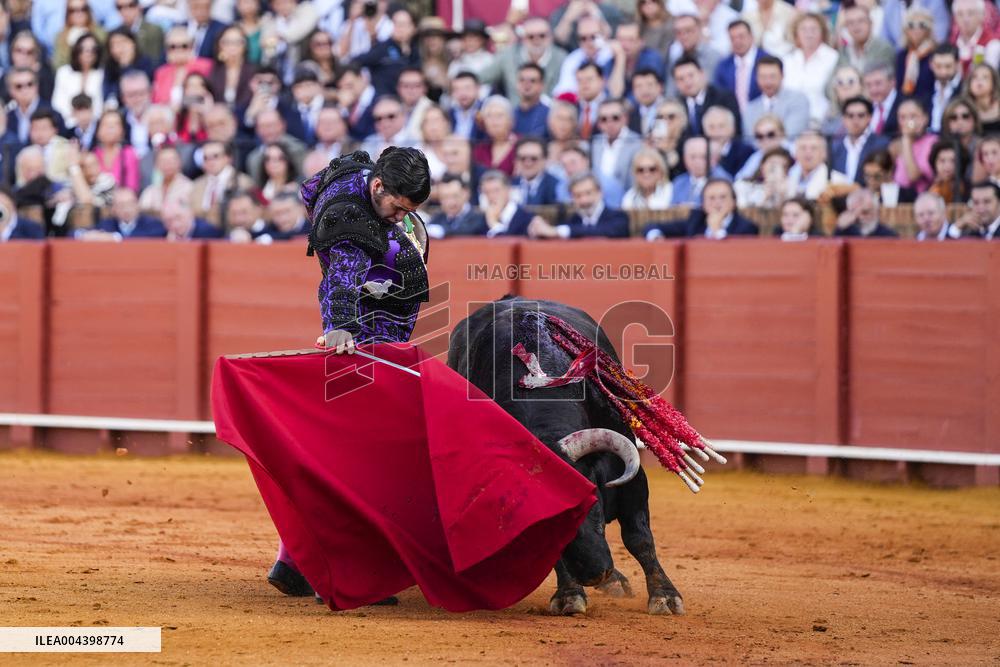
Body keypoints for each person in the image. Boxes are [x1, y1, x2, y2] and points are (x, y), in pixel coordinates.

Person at [266, 147, 432, 603]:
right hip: (367, 340)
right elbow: (342, 274)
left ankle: (293, 562)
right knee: (369, 458)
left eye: (409, 211)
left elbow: (309, 187)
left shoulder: (357, 173)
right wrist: (340, 327)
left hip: (382, 337)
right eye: (397, 208)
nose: (401, 218)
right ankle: (343, 571)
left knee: (339, 451)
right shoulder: (349, 223)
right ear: (377, 187)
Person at [644, 178, 759, 239]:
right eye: (711, 198)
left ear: (733, 202)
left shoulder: (746, 227)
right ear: (703, 205)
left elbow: (738, 256)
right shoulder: (696, 220)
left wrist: (717, 231)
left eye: (723, 197)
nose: (717, 203)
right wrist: (657, 237)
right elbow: (652, 227)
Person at [527, 172, 629, 239]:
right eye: (578, 195)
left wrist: (558, 231)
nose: (584, 200)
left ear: (600, 192)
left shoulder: (618, 217)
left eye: (588, 193)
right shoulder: (571, 221)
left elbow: (604, 231)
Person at [424, 173, 487, 239]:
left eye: (455, 196)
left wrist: (443, 231)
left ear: (466, 193)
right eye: (445, 197)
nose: (451, 202)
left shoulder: (479, 216)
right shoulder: (437, 218)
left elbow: (467, 231)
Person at [834, 187, 899, 237]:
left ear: (876, 212)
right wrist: (840, 228)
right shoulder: (844, 232)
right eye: (853, 212)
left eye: (865, 212)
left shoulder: (888, 236)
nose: (859, 217)